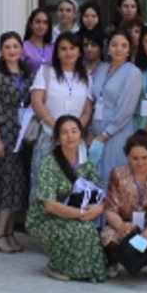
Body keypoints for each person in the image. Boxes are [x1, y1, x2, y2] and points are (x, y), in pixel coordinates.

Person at [25, 115, 107, 282]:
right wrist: (80, 214)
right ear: (57, 139)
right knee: (78, 230)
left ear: (81, 135)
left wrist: (98, 209)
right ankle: (57, 266)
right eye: (64, 132)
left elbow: (101, 194)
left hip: (76, 214)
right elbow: (49, 205)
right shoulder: (50, 164)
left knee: (89, 230)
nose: (70, 136)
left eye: (74, 131)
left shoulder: (86, 163)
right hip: (46, 219)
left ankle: (85, 271)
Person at [100, 132, 147, 281]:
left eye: (144, 158)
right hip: (126, 223)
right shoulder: (118, 174)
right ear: (127, 156)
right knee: (107, 236)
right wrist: (121, 225)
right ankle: (113, 261)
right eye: (135, 158)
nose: (140, 163)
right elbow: (110, 209)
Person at [0, 32, 31, 253]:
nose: (12, 50)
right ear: (1, 51)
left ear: (21, 49)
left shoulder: (26, 73)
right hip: (5, 135)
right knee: (7, 185)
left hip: (23, 135)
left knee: (17, 186)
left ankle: (10, 232)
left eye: (15, 46)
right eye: (7, 47)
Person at [29, 31, 94, 182]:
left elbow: (88, 109)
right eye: (63, 49)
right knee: (45, 182)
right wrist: (58, 128)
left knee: (72, 183)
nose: (68, 53)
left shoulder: (87, 77)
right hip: (50, 135)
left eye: (72, 48)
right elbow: (37, 102)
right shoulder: (45, 72)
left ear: (79, 52)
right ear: (57, 53)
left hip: (74, 140)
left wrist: (74, 131)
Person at [89, 31, 143, 180]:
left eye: (124, 46)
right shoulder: (102, 69)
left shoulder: (132, 72)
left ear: (129, 50)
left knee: (114, 175)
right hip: (97, 132)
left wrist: (106, 134)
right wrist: (92, 130)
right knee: (97, 176)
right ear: (108, 48)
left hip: (117, 133)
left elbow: (126, 109)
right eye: (114, 45)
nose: (119, 49)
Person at [22, 8, 54, 80]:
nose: (41, 26)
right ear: (31, 24)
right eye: (37, 22)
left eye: (45, 23)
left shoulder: (53, 48)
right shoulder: (23, 47)